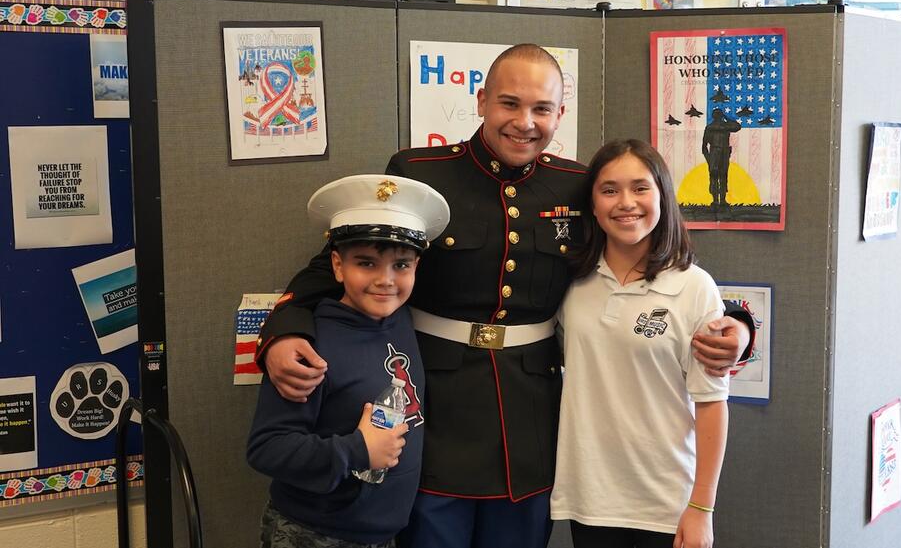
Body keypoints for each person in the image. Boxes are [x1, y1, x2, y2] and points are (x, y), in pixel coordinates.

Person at [255, 44, 752, 548]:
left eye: (542, 108)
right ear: (482, 101)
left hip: (530, 418)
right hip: (437, 411)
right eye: (509, 104)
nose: (525, 122)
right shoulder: (421, 173)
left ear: (560, 113)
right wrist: (282, 330)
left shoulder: (577, 185)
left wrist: (735, 323)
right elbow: (341, 264)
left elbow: (641, 261)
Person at [247, 174, 450, 548]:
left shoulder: (402, 320)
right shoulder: (310, 347)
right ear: (337, 266)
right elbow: (267, 447)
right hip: (315, 534)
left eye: (401, 265)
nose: (385, 280)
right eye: (366, 263)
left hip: (385, 532)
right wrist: (357, 450)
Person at [552, 139, 729, 548]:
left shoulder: (694, 287)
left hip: (667, 504)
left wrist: (702, 508)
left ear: (662, 195)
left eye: (640, 188)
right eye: (609, 190)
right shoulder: (572, 283)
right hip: (590, 500)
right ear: (592, 204)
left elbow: (711, 403)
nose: (626, 203)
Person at [701, 109, 741, 206]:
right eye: (719, 115)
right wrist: (708, 159)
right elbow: (704, 146)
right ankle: (717, 200)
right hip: (716, 152)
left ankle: (721, 200)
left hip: (722, 152)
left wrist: (708, 158)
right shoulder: (720, 127)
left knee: (720, 175)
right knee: (717, 176)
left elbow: (737, 127)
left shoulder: (716, 127)